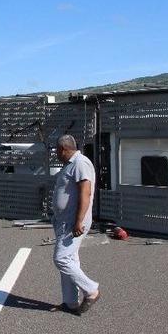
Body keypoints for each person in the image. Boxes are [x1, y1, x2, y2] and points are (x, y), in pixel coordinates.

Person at [50, 134, 100, 315]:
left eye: (56, 150)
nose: (56, 153)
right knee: (70, 260)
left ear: (63, 149)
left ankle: (92, 290)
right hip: (64, 221)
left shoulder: (80, 163)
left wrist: (78, 221)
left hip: (73, 222)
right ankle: (70, 303)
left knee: (61, 259)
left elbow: (85, 193)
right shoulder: (71, 165)